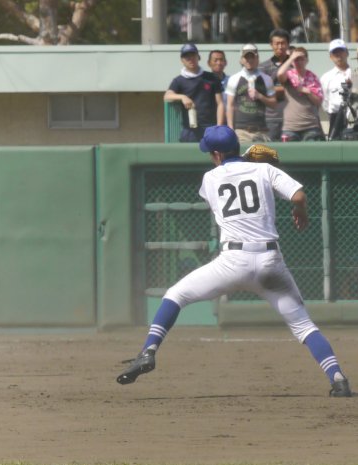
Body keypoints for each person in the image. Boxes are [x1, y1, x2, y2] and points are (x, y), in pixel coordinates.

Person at [116, 125, 352, 398]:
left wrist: (243, 168)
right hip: (270, 262)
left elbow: (230, 185)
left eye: (209, 152)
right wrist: (299, 209)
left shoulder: (210, 179)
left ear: (216, 154)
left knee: (175, 295)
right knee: (304, 326)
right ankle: (337, 378)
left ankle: (148, 351)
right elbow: (298, 195)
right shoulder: (265, 170)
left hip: (232, 261)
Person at [164, 42, 225, 142]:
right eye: (187, 57)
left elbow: (220, 104)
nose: (190, 59)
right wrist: (182, 97)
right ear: (182, 60)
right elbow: (167, 96)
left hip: (211, 128)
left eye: (193, 56)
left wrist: (219, 127)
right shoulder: (179, 80)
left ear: (198, 57)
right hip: (189, 130)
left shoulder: (212, 78)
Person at [225, 43, 276, 143]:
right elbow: (230, 105)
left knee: (261, 157)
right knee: (243, 157)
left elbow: (274, 104)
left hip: (261, 130)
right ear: (241, 60)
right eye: (246, 57)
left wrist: (260, 96)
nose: (249, 60)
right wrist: (230, 128)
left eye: (252, 57)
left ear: (257, 59)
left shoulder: (267, 79)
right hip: (241, 130)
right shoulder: (234, 79)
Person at [276, 47, 325, 141]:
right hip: (290, 127)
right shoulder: (288, 75)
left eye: (301, 59)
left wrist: (308, 92)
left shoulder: (313, 77)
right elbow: (280, 74)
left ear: (306, 60)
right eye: (296, 59)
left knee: (312, 155)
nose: (298, 62)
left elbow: (318, 102)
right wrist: (291, 58)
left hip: (311, 126)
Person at [260, 28, 292, 141]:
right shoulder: (263, 67)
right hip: (270, 118)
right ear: (271, 45)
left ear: (288, 44)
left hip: (292, 119)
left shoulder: (295, 65)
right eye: (277, 43)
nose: (280, 47)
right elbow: (261, 91)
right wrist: (285, 89)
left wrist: (273, 90)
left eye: (283, 43)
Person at [320, 39, 353, 140]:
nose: (339, 55)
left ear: (347, 53)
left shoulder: (355, 74)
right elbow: (324, 101)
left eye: (341, 51)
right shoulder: (326, 77)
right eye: (335, 53)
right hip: (335, 118)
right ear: (330, 56)